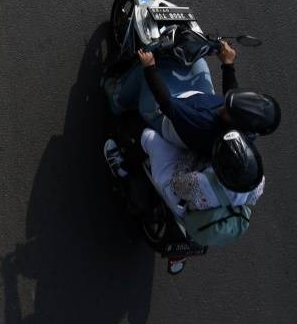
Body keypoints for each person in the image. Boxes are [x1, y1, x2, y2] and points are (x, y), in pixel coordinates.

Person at [107, 41, 281, 157]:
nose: (225, 105)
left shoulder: (204, 123)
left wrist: (150, 68)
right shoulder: (247, 125)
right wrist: (228, 63)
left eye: (228, 110)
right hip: (199, 98)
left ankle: (117, 100)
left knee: (143, 75)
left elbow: (167, 104)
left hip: (165, 114)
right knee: (197, 59)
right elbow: (232, 96)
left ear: (234, 124)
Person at [139, 128, 264, 219]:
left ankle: (122, 165)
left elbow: (176, 184)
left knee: (149, 136)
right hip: (219, 209)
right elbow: (251, 200)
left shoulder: (200, 182)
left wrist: (193, 153)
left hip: (181, 197)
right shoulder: (256, 181)